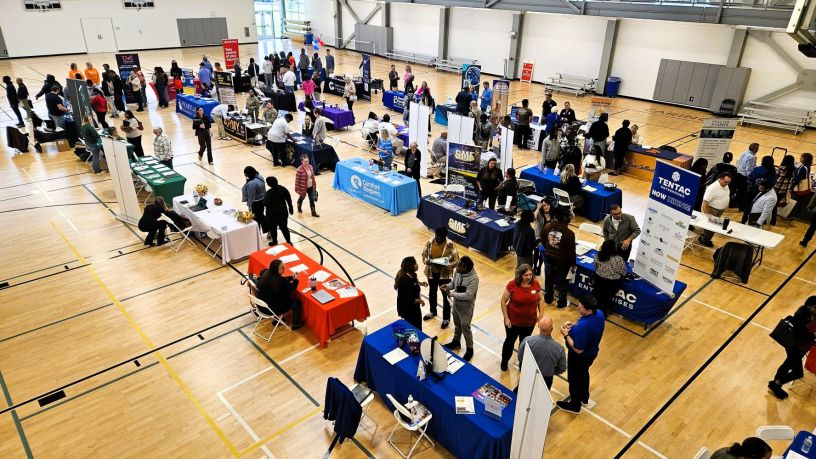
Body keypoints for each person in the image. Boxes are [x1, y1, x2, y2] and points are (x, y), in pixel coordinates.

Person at [556, 296, 605, 414]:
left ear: (589, 310)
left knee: (574, 379)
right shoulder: (599, 314)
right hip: (592, 353)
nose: (578, 307)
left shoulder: (584, 327)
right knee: (583, 374)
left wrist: (566, 334)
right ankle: (584, 397)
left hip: (579, 357)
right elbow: (588, 331)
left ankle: (574, 405)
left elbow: (578, 350)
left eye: (581, 307)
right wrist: (574, 327)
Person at [768, 296, 816, 399]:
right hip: (795, 347)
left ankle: (776, 384)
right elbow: (800, 331)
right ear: (809, 306)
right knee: (798, 372)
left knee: (787, 365)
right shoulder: (803, 316)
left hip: (797, 346)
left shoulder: (809, 314)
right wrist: (812, 335)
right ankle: (777, 383)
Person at [500, 264, 543, 371]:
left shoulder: (536, 284)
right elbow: (503, 301)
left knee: (524, 344)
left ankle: (522, 362)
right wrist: (506, 317)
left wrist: (541, 314)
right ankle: (505, 360)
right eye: (526, 275)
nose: (528, 277)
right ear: (520, 275)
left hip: (529, 323)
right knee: (510, 342)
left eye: (530, 274)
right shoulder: (512, 285)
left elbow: (540, 299)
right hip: (513, 322)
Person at [421, 227, 460, 328]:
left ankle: (446, 318)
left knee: (445, 296)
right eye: (437, 236)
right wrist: (427, 261)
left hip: (444, 275)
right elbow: (424, 255)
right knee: (432, 292)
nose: (438, 238)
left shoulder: (450, 245)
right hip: (432, 273)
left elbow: (456, 261)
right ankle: (432, 311)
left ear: (444, 237)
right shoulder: (430, 242)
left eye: (441, 237)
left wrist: (446, 265)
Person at [441, 255, 478, 361]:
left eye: (459, 266)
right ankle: (456, 342)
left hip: (466, 308)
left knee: (465, 327)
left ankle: (470, 349)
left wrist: (452, 294)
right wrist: (447, 286)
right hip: (456, 305)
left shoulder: (474, 279)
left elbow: (468, 295)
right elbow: (453, 284)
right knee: (457, 325)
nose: (457, 267)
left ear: (466, 268)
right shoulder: (458, 271)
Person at [517, 316, 566, 390]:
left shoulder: (527, 340)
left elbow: (520, 357)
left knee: (523, 391)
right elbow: (562, 368)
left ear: (539, 327)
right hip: (546, 379)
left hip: (528, 373)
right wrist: (551, 372)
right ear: (552, 329)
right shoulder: (559, 349)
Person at [255, 259, 304, 330]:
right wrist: (296, 279)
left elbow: (263, 272)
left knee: (278, 298)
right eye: (282, 267)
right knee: (296, 302)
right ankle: (296, 324)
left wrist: (289, 277)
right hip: (271, 309)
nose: (284, 268)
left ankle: (278, 319)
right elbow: (291, 288)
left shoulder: (266, 274)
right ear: (276, 270)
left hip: (261, 306)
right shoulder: (281, 281)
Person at [542, 207, 576, 309]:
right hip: (562, 262)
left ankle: (548, 298)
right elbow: (571, 252)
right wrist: (573, 264)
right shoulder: (569, 233)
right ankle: (561, 303)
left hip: (549, 259)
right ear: (566, 218)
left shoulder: (547, 226)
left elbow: (543, 240)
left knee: (548, 280)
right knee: (562, 283)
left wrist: (549, 249)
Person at [699, 173, 733, 247]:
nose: (727, 184)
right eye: (726, 181)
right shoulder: (712, 188)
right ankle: (705, 241)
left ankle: (704, 237)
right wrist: (708, 214)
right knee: (711, 227)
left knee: (713, 226)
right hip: (712, 209)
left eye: (729, 182)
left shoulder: (725, 185)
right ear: (720, 179)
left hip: (719, 210)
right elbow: (705, 202)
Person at [593, 240, 626, 315]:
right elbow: (623, 272)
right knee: (606, 299)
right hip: (611, 283)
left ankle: (595, 311)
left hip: (598, 280)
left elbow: (595, 266)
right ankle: (602, 314)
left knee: (598, 297)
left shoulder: (598, 255)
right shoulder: (618, 259)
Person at [395, 256, 427, 330]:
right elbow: (408, 298)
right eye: (415, 263)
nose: (417, 265)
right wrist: (420, 301)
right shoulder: (404, 280)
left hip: (413, 307)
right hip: (409, 309)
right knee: (415, 328)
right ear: (410, 266)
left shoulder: (409, 273)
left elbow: (413, 280)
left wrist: (420, 283)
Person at [264, 176, 294, 245]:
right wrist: (290, 208)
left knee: (273, 228)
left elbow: (265, 204)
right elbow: (289, 199)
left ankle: (275, 241)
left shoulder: (268, 193)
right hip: (283, 212)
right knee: (284, 228)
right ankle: (289, 242)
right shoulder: (283, 189)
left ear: (268, 184)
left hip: (272, 214)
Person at [772, 154, 796, 225]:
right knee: (775, 204)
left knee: (773, 204)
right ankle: (772, 220)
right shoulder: (793, 170)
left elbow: (776, 176)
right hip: (784, 190)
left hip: (776, 188)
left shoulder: (782, 168)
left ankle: (772, 221)